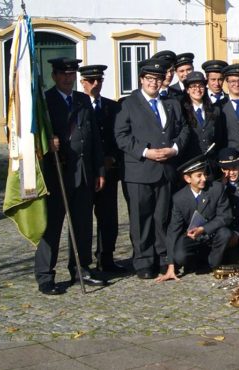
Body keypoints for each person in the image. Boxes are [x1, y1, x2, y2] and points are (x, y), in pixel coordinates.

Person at [35, 57, 107, 295]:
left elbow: (94, 137)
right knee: (52, 226)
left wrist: (99, 170)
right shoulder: (44, 102)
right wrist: (47, 142)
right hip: (57, 173)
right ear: (54, 76)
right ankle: (46, 275)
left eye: (71, 74)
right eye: (63, 74)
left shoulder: (83, 99)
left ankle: (80, 267)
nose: (68, 78)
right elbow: (32, 137)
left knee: (83, 224)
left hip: (83, 171)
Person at [115, 58, 190, 280]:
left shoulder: (171, 104)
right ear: (141, 80)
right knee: (141, 218)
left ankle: (162, 257)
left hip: (166, 168)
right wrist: (145, 152)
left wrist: (175, 149)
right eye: (149, 79)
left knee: (162, 217)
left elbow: (184, 130)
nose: (154, 83)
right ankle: (143, 261)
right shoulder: (128, 104)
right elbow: (121, 136)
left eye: (157, 79)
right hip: (140, 170)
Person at [79, 64, 125, 274]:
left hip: (108, 171)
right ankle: (83, 263)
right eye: (91, 80)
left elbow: (119, 136)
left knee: (108, 219)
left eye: (99, 80)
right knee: (84, 220)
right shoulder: (78, 105)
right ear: (83, 83)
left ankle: (106, 258)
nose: (96, 84)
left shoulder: (112, 107)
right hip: (85, 173)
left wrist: (112, 157)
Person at [158, 156, 234, 282]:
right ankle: (196, 262)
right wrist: (171, 265)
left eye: (204, 174)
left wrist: (204, 229)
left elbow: (225, 216)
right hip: (193, 238)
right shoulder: (179, 198)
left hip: (213, 234)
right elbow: (173, 230)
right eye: (199, 175)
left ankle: (212, 263)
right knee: (180, 256)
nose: (204, 178)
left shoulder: (216, 188)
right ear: (188, 179)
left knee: (225, 233)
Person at [180, 72, 225, 173]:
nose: (197, 89)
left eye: (201, 86)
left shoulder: (215, 110)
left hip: (212, 165)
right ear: (187, 90)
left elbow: (220, 138)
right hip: (191, 164)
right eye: (193, 86)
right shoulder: (182, 111)